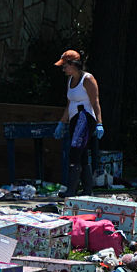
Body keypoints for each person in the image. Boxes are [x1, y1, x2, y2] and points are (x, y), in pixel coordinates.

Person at [54, 50, 103, 197]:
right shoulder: (70, 80)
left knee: (75, 152)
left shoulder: (87, 79)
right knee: (81, 155)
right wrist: (62, 123)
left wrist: (99, 123)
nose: (63, 69)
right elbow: (69, 104)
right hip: (75, 119)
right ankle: (88, 189)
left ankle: (71, 189)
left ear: (73, 64)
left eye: (65, 66)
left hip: (85, 118)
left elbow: (95, 102)